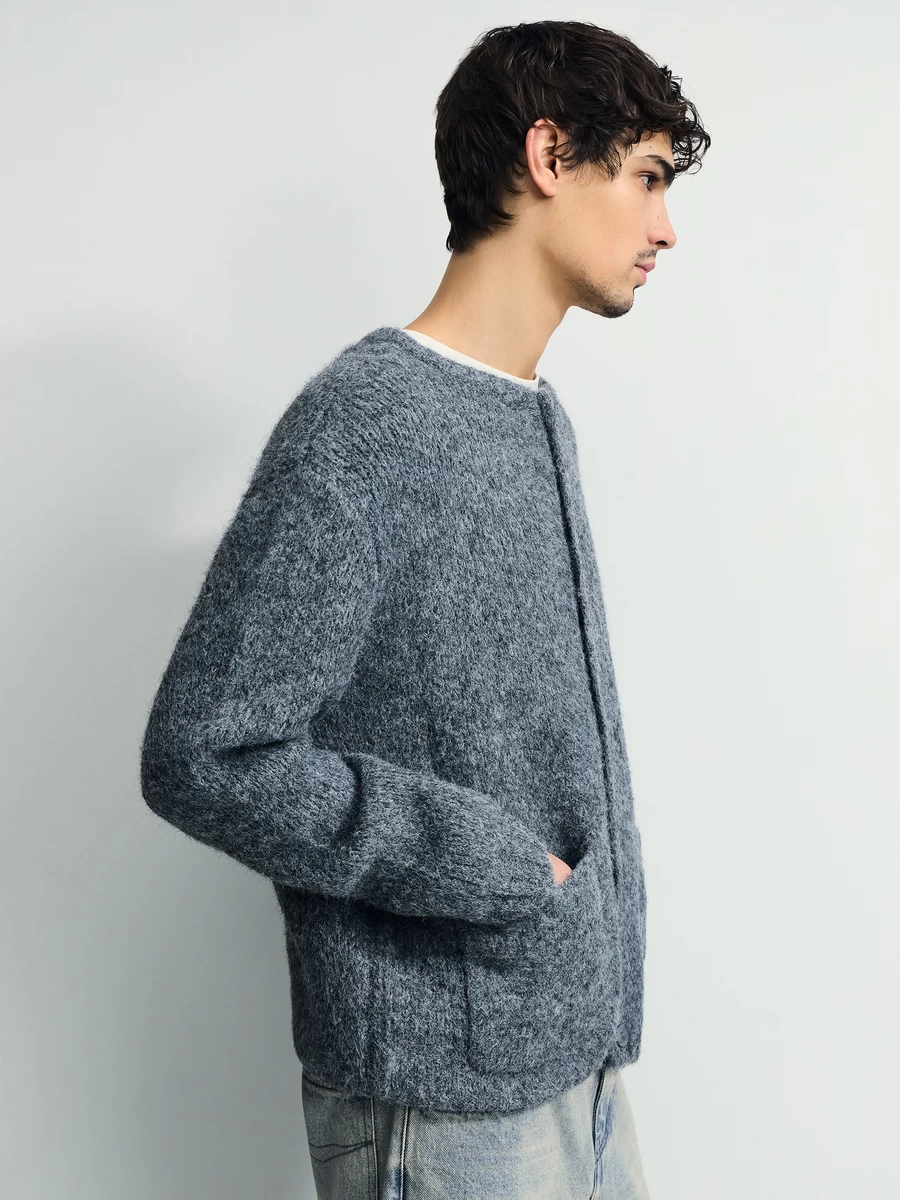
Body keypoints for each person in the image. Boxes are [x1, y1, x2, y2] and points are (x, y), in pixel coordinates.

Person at [139, 18, 710, 1199]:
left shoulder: (535, 417)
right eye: (648, 178)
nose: (666, 227)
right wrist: (495, 866)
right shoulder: (365, 427)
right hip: (443, 1102)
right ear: (550, 156)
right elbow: (205, 753)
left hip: (578, 1067)